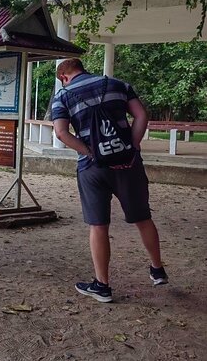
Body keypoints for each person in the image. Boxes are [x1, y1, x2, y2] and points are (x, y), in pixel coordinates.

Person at [52, 58, 168, 303]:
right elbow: (141, 115)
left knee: (98, 225)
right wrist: (132, 145)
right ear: (82, 68)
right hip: (128, 163)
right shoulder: (117, 84)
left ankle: (102, 285)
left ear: (63, 76)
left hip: (92, 168)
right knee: (143, 218)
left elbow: (61, 133)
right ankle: (157, 270)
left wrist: (90, 152)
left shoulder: (62, 97)